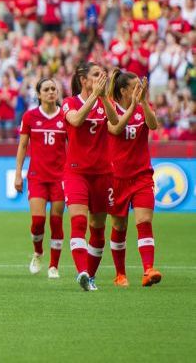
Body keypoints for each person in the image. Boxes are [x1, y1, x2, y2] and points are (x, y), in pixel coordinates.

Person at [61, 62, 119, 291]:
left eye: (103, 75)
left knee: (97, 228)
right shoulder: (69, 102)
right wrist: (93, 97)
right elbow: (75, 120)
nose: (101, 78)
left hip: (103, 173)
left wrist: (103, 98)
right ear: (83, 80)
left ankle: (90, 278)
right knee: (78, 221)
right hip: (76, 172)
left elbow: (115, 122)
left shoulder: (106, 102)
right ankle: (82, 271)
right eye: (96, 75)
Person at [107, 72, 162, 287]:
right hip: (116, 178)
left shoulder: (141, 109)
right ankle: (120, 274)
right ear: (123, 91)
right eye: (135, 86)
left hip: (141, 176)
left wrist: (144, 102)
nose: (139, 89)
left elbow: (154, 125)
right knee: (119, 226)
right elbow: (116, 128)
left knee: (144, 221)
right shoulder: (110, 109)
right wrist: (132, 108)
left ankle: (148, 269)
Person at [14, 77, 66, 279]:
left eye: (54, 88)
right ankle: (38, 252)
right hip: (37, 176)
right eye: (47, 89)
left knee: (56, 221)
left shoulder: (65, 116)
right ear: (39, 94)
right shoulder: (30, 117)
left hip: (60, 177)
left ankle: (54, 266)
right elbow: (23, 146)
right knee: (37, 221)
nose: (51, 92)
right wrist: (18, 173)